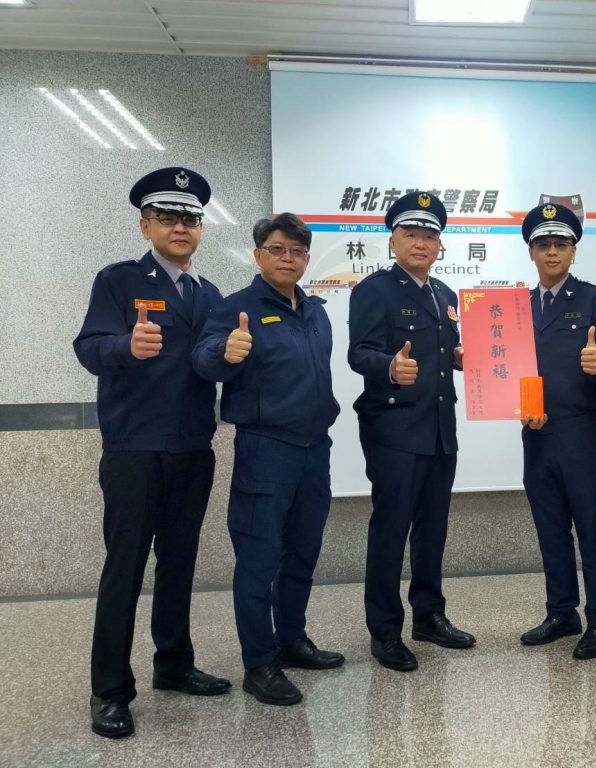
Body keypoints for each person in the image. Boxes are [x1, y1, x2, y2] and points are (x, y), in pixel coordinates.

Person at [74, 167, 230, 738]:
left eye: (191, 219)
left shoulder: (209, 294)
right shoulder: (119, 281)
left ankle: (174, 664)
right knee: (125, 567)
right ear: (146, 226)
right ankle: (110, 690)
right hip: (135, 449)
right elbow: (87, 347)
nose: (181, 227)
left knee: (180, 562)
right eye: (168, 217)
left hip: (192, 447)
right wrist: (124, 345)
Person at [193, 212, 343, 706]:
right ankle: (259, 663)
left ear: (307, 259)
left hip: (315, 450)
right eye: (277, 249)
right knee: (258, 561)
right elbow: (204, 358)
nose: (287, 258)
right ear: (258, 255)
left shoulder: (315, 310)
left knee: (302, 552)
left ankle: (291, 640)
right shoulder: (237, 308)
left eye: (297, 251)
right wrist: (226, 351)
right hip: (266, 450)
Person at [348, 191, 475, 672]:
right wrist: (388, 366)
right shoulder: (374, 290)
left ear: (440, 244)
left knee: (433, 527)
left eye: (429, 235)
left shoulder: (445, 294)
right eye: (411, 234)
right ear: (393, 240)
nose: (420, 243)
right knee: (391, 529)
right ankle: (384, 630)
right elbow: (359, 353)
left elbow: (445, 352)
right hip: (394, 428)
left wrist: (459, 358)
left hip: (440, 428)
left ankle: (429, 615)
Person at [517, 203, 596, 659]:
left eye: (561, 244)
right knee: (551, 528)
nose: (552, 252)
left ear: (573, 251)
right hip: (536, 433)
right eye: (543, 245)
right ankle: (561, 612)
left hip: (584, 432)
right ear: (531, 253)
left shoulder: (595, 301)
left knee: (592, 528)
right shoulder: (518, 307)